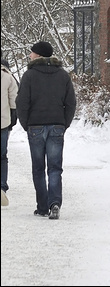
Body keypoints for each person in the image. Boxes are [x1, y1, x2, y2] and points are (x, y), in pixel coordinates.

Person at [16, 41, 76, 220]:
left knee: (38, 168)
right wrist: (64, 123)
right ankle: (54, 203)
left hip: (35, 126)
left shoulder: (29, 76)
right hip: (57, 125)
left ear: (39, 55)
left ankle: (42, 206)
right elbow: (71, 102)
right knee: (55, 167)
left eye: (32, 53)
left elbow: (22, 103)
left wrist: (25, 123)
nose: (29, 55)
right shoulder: (63, 75)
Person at [1, 53, 19, 206]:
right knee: (2, 156)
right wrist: (13, 118)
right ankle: (1, 187)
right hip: (2, 122)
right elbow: (14, 99)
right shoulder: (7, 76)